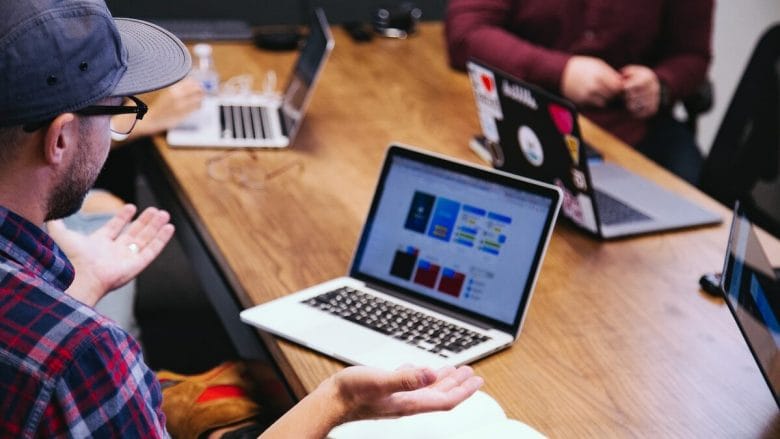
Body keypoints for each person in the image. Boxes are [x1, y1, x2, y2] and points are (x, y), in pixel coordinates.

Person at [0, 1, 483, 437]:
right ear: (59, 140)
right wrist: (339, 399)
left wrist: (77, 291)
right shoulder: (85, 360)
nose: (113, 132)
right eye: (115, 112)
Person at [445, 0, 714, 184]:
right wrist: (561, 72)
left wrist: (661, 84)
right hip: (517, 110)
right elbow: (467, 32)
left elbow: (692, 55)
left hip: (631, 135)